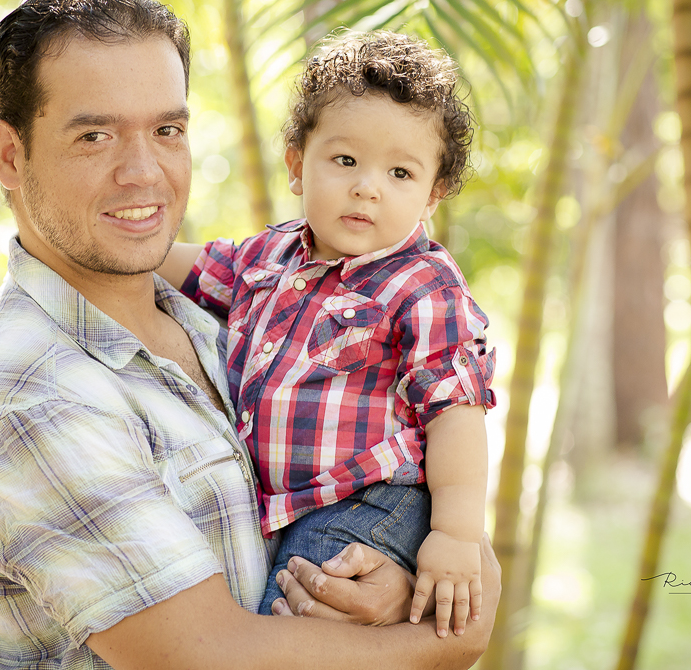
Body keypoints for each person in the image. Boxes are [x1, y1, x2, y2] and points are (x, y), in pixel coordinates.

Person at [0, 0, 499, 670]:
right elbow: (211, 658)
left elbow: (428, 428)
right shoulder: (33, 399)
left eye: (167, 130)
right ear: (10, 156)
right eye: (95, 136)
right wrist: (449, 636)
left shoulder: (214, 317)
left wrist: (402, 574)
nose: (143, 173)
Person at [156, 31, 495, 639]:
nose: (368, 186)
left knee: (291, 625)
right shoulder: (269, 258)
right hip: (284, 506)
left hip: (366, 502)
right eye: (345, 161)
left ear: (433, 193)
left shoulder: (423, 286)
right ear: (296, 163)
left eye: (400, 172)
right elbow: (194, 265)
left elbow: (455, 410)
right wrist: (138, 246)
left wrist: (455, 532)